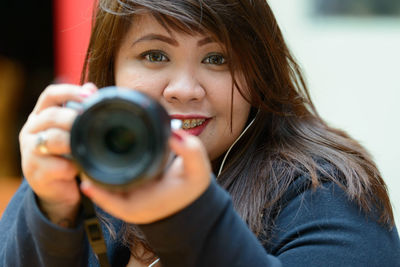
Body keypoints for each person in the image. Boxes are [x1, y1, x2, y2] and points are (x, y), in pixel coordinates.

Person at [1, 0, 400, 266]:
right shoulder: (82, 167)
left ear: (259, 75)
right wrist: (50, 211)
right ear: (112, 74)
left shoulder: (328, 191)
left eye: (217, 58)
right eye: (154, 56)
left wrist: (189, 218)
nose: (185, 88)